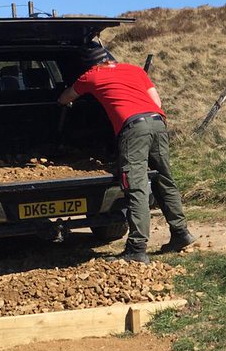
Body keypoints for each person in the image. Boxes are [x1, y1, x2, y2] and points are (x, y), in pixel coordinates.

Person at [57, 42, 195, 263]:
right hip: (157, 122)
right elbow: (156, 101)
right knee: (164, 179)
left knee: (135, 185)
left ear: (90, 64)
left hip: (133, 129)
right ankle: (181, 233)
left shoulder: (91, 75)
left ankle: (137, 248)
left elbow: (65, 98)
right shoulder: (134, 70)